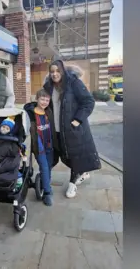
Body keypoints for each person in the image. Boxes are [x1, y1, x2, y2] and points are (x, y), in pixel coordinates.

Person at [42, 59, 101, 198]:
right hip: (56, 129)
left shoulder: (73, 83)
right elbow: (44, 103)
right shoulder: (48, 87)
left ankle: (72, 184)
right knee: (65, 155)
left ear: (63, 71)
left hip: (72, 129)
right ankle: (82, 172)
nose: (55, 74)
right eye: (52, 72)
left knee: (74, 156)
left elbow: (88, 102)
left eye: (57, 71)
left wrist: (77, 120)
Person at [24, 89, 59, 206]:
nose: (44, 102)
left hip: (50, 146)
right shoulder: (31, 114)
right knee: (44, 167)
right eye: (42, 99)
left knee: (48, 167)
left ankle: (46, 185)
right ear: (37, 99)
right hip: (39, 147)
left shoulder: (48, 112)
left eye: (47, 100)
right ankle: (47, 193)